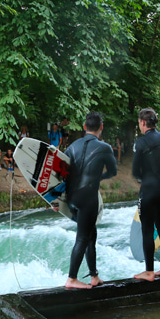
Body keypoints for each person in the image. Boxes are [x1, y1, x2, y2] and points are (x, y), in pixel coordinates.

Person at [62, 111, 117, 290]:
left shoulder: (71, 147)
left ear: (84, 127)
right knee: (83, 238)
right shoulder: (105, 147)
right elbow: (112, 172)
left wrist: (57, 201)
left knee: (90, 234)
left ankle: (94, 276)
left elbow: (61, 173)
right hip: (88, 199)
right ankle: (71, 278)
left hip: (71, 198)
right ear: (101, 127)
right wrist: (98, 178)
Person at [131, 108, 160, 282]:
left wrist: (144, 179)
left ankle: (149, 272)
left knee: (147, 231)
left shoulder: (141, 142)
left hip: (149, 191)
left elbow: (135, 171)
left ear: (143, 122)